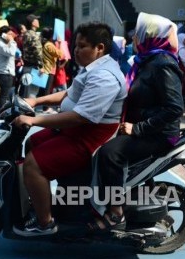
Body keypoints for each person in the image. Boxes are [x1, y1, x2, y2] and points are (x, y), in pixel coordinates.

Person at [12, 22, 127, 236]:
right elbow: (69, 94)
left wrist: (34, 120)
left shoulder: (104, 77)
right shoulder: (92, 69)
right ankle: (46, 199)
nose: (75, 51)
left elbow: (79, 117)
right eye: (75, 46)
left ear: (99, 48)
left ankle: (45, 223)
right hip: (75, 131)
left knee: (32, 165)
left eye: (82, 46)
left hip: (88, 137)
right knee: (31, 143)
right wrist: (36, 101)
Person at [88, 12, 184, 234]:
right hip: (141, 128)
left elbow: (174, 109)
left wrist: (138, 128)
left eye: (137, 35)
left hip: (158, 135)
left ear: (150, 35)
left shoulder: (163, 64)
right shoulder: (145, 61)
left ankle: (115, 213)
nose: (133, 39)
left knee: (110, 154)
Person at [38, 26, 62, 113]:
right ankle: (46, 108)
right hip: (49, 69)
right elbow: (60, 54)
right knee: (47, 90)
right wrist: (60, 43)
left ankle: (41, 106)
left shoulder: (46, 44)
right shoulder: (49, 45)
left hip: (46, 69)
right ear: (51, 36)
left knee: (44, 90)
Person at [0, 25, 17, 111]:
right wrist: (12, 41)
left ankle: (3, 111)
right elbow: (11, 52)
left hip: (6, 72)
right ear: (4, 35)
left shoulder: (4, 44)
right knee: (4, 95)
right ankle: (2, 112)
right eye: (10, 34)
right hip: (4, 73)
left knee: (5, 94)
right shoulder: (0, 44)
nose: (12, 36)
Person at [21, 14, 44, 98]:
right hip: (33, 68)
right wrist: (41, 66)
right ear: (32, 23)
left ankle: (26, 110)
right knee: (32, 93)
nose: (38, 21)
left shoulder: (26, 34)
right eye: (36, 20)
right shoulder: (34, 35)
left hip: (27, 66)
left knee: (26, 92)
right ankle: (29, 110)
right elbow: (38, 52)